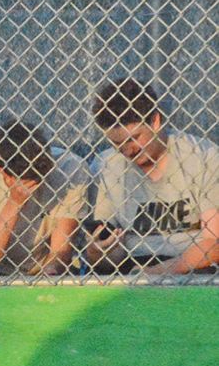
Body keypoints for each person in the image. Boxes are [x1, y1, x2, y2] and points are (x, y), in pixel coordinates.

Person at [86, 78, 219, 276]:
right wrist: (97, 253)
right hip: (133, 265)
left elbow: (214, 243)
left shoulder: (203, 157)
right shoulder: (107, 166)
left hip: (194, 265)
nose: (127, 149)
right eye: (117, 143)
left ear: (155, 121)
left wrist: (156, 272)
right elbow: (107, 261)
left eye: (134, 138)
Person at [0, 118, 89, 277]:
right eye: (25, 181)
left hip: (42, 270)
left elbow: (61, 249)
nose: (34, 187)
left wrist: (50, 273)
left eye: (38, 179)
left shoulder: (70, 168)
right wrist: (14, 203)